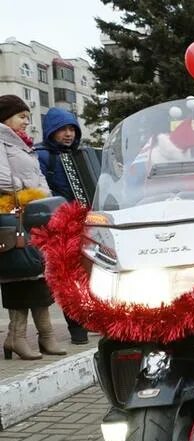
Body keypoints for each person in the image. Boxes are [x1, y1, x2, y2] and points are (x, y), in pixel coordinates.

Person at [0, 94, 65, 360]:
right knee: (20, 273)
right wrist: (32, 191)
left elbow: (38, 178)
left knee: (38, 273)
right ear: (6, 117)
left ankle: (45, 335)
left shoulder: (22, 143)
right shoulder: (3, 141)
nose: (27, 121)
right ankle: (17, 337)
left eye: (27, 116)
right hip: (15, 215)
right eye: (21, 116)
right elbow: (3, 180)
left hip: (33, 215)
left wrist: (43, 197)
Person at [35, 107, 89, 344]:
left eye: (72, 130)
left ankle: (92, 320)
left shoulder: (81, 155)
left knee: (89, 274)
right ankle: (78, 330)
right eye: (62, 130)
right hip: (60, 226)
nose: (68, 135)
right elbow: (40, 191)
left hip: (86, 223)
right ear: (50, 131)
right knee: (68, 278)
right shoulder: (43, 155)